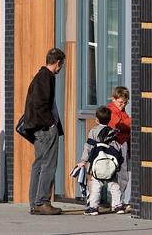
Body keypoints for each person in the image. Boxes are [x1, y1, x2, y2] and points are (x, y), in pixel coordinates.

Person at [23, 47, 66, 215]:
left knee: (39, 164)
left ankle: (35, 203)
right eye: (61, 65)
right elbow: (40, 105)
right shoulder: (46, 77)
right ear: (58, 62)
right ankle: (42, 201)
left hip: (38, 128)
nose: (61, 68)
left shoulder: (40, 76)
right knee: (48, 164)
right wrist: (51, 124)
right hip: (45, 129)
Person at [76, 105, 125, 215]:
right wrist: (119, 163)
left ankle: (93, 208)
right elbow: (117, 148)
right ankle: (118, 206)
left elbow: (88, 147)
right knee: (114, 185)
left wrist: (83, 161)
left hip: (97, 165)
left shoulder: (93, 132)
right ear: (110, 119)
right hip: (110, 164)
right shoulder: (113, 132)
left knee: (96, 186)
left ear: (97, 119)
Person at [107, 86, 131, 210]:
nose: (123, 105)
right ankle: (117, 201)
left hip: (123, 143)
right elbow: (117, 125)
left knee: (122, 174)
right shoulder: (111, 111)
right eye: (120, 102)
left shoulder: (122, 112)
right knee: (117, 173)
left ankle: (118, 200)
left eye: (125, 102)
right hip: (116, 144)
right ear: (114, 99)